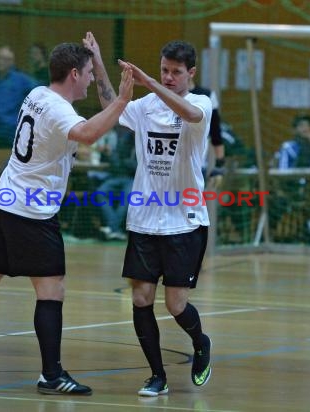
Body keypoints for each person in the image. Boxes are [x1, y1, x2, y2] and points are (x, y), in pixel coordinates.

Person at [0, 37, 134, 396]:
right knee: (51, 288)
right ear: (72, 74)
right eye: (85, 74)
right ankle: (51, 374)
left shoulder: (36, 94)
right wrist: (125, 100)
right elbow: (89, 134)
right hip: (31, 211)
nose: (87, 81)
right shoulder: (59, 110)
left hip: (3, 201)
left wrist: (96, 61)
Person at [83, 33, 212, 396]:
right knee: (141, 299)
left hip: (184, 221)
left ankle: (200, 341)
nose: (169, 77)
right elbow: (111, 102)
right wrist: (97, 59)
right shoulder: (145, 108)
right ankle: (157, 375)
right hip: (144, 219)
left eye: (175, 72)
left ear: (191, 74)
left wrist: (152, 83)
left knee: (175, 304)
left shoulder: (201, 104)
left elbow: (187, 112)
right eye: (163, 70)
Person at [0, 46, 37, 202]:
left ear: (11, 62)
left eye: (5, 59)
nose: (1, 61)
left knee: (12, 176)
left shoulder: (21, 79)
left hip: (13, 136)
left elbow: (41, 92)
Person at [95, 125, 136, 241]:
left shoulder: (146, 140)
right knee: (100, 192)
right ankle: (115, 229)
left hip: (133, 179)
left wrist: (125, 162)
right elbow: (115, 159)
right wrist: (125, 163)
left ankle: (112, 228)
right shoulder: (124, 139)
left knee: (127, 197)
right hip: (117, 175)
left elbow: (139, 166)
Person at [188, 78, 226, 186]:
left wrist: (219, 165)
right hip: (167, 168)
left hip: (196, 169)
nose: (170, 77)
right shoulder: (165, 96)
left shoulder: (206, 96)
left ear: (191, 72)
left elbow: (216, 132)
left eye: (177, 71)